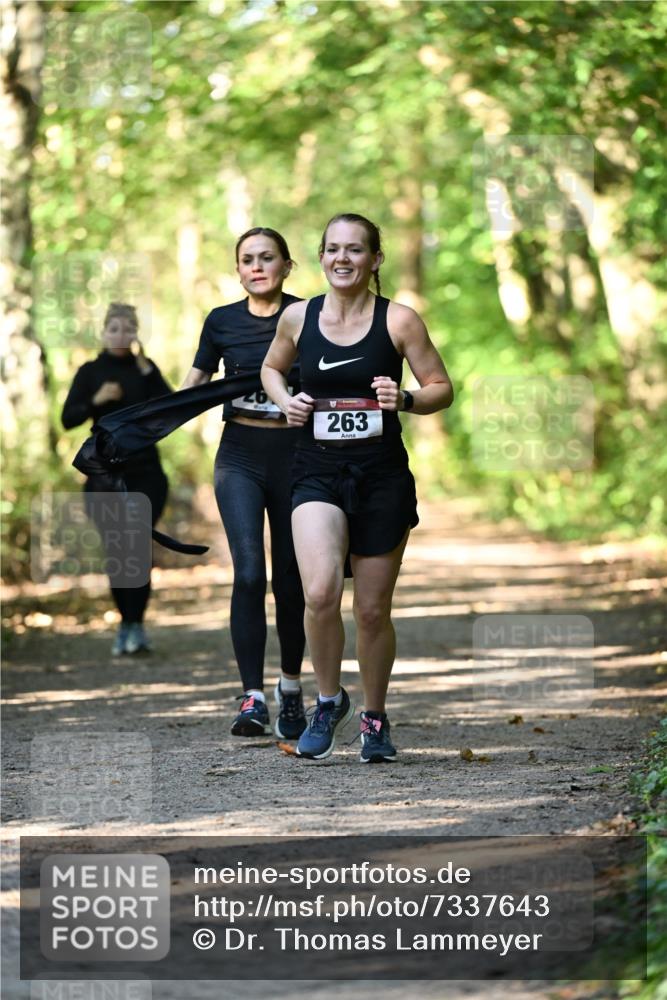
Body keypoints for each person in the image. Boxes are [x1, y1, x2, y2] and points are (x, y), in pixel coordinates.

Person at [261, 213, 454, 762]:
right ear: (321, 257)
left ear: (375, 260)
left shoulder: (400, 321)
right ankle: (327, 700)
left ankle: (374, 717)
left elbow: (442, 386)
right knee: (319, 592)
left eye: (355, 250)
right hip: (315, 470)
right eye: (332, 249)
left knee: (371, 609)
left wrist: (408, 400)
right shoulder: (298, 318)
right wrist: (284, 400)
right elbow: (271, 371)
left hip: (381, 476)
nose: (342, 259)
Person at [181, 228, 307, 740]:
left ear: (286, 265)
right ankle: (252, 697)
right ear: (238, 270)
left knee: (293, 581)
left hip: (299, 458)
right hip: (240, 458)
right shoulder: (221, 321)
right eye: (247, 260)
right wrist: (142, 425)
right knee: (250, 573)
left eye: (267, 258)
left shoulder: (308, 315)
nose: (257, 267)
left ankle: (292, 689)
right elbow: (193, 386)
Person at [62, 302, 171, 656]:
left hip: (146, 473)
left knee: (137, 547)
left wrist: (147, 371)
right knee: (117, 550)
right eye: (115, 329)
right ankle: (124, 624)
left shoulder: (146, 369)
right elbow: (67, 418)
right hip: (104, 475)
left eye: (128, 329)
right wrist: (97, 399)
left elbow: (172, 409)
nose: (121, 335)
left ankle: (137, 626)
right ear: (104, 332)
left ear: (136, 333)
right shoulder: (91, 371)